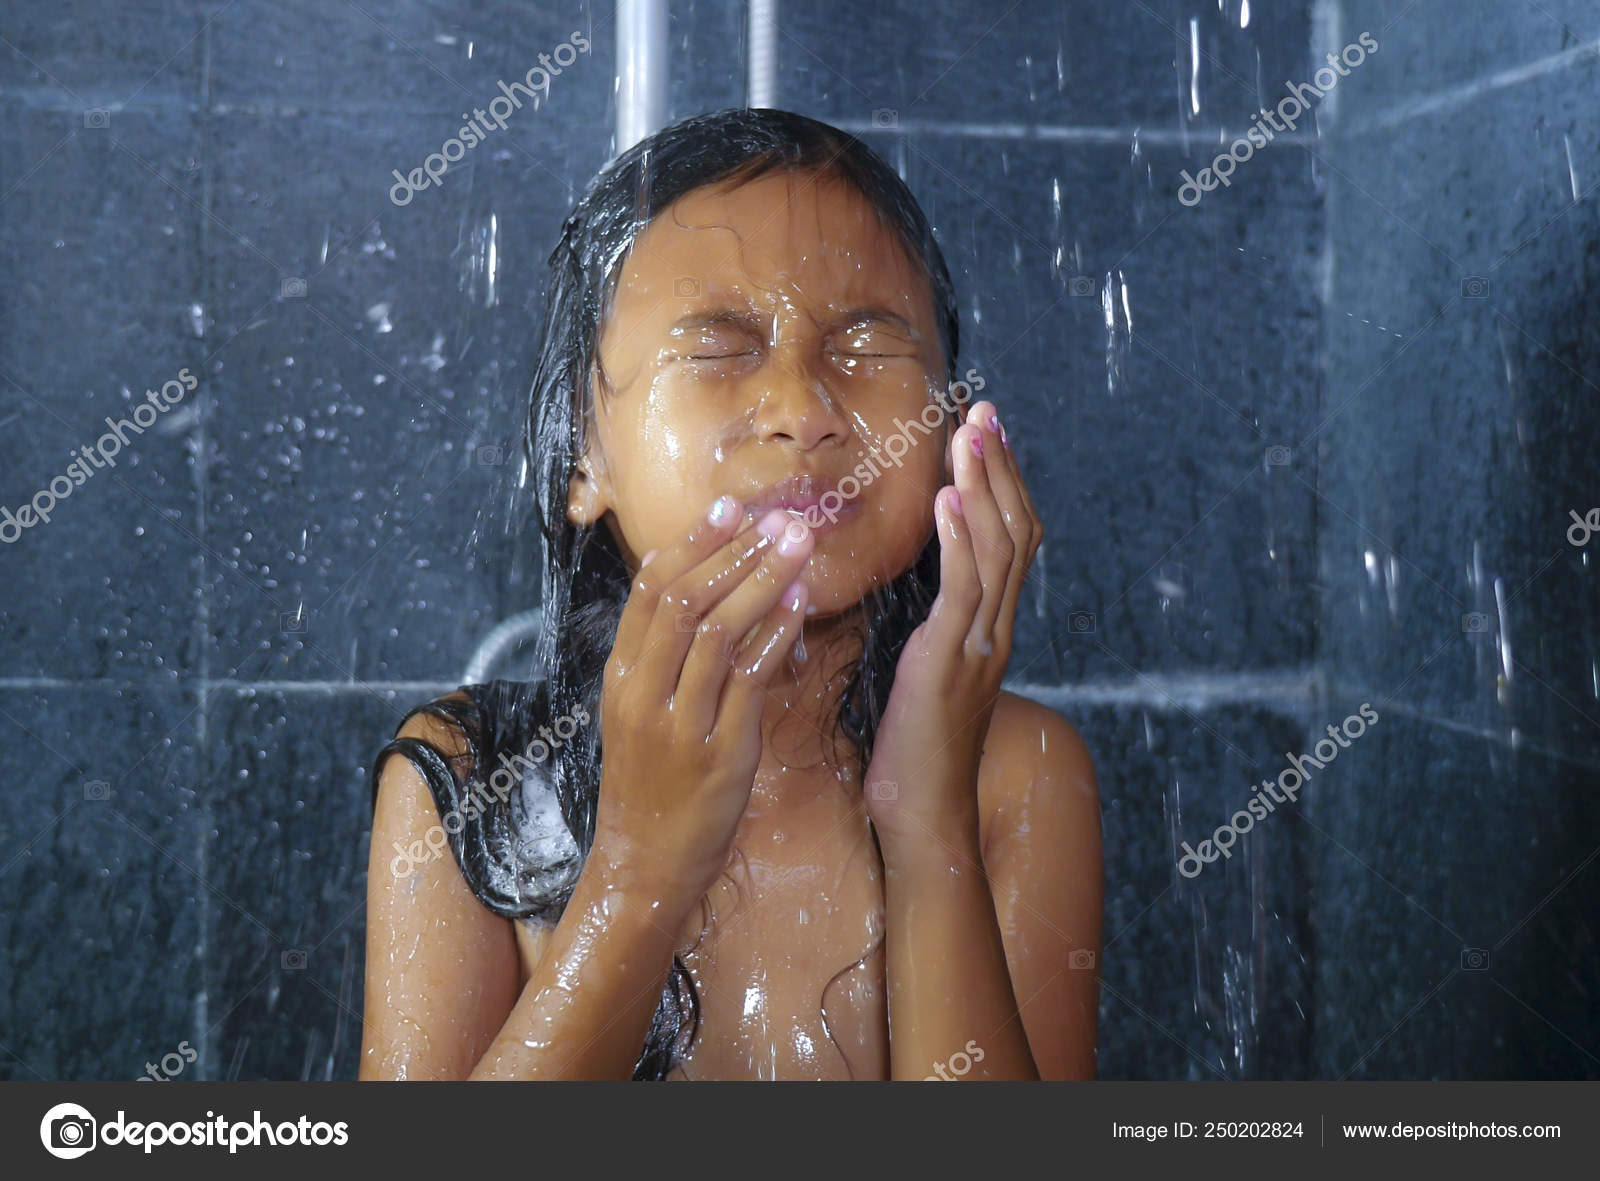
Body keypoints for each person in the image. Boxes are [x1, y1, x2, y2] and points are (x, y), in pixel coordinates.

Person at [360, 107, 1102, 1081]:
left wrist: (927, 827)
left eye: (869, 346)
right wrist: (637, 866)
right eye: (718, 348)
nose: (802, 411)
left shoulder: (1016, 773)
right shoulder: (474, 783)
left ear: (952, 433)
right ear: (583, 447)